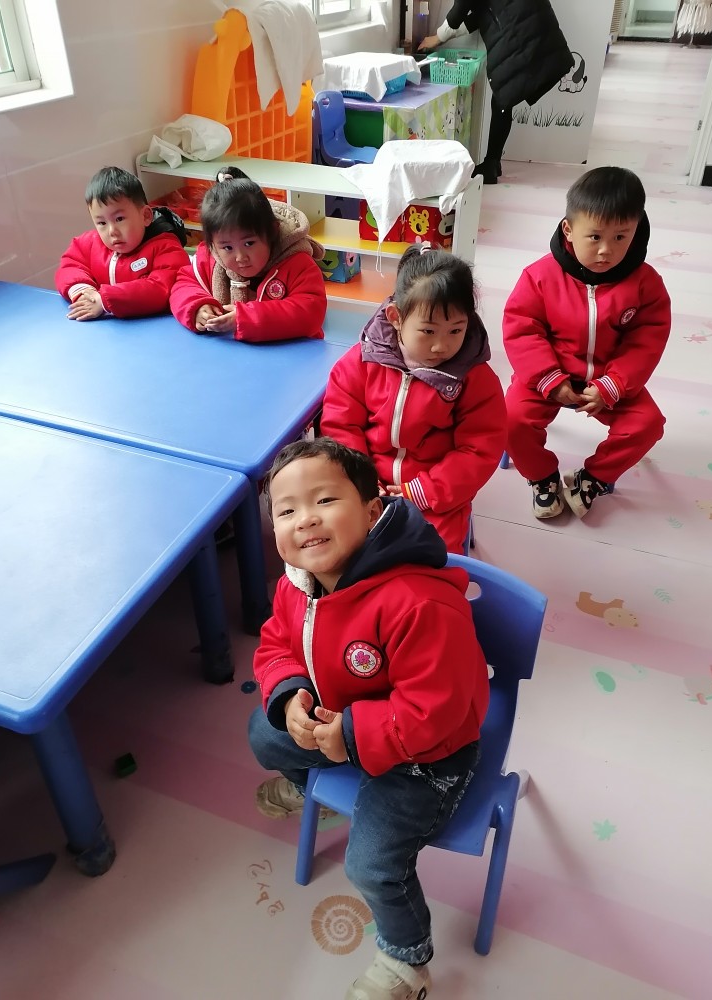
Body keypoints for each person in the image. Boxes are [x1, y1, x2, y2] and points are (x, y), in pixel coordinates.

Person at [249, 437, 488, 1000]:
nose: (306, 520)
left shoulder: (416, 601)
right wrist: (290, 694)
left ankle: (407, 961)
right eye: (286, 510)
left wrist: (352, 736)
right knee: (264, 733)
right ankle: (322, 792)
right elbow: (275, 643)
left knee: (372, 865)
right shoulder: (296, 583)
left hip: (429, 756)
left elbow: (437, 709)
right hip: (344, 719)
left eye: (325, 500)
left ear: (372, 509)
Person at [503, 165, 672, 520]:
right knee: (511, 419)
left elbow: (647, 341)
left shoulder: (646, 284)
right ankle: (542, 477)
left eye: (621, 237)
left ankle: (592, 478)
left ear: (636, 229)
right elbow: (522, 330)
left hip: (612, 382)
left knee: (648, 424)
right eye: (594, 237)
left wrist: (614, 384)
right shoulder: (539, 276)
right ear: (569, 229)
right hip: (548, 377)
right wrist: (549, 379)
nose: (606, 250)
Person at [319, 244, 506, 554]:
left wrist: (423, 491)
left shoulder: (475, 379)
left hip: (435, 496)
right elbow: (341, 426)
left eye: (455, 331)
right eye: (428, 331)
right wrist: (362, 480)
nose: (441, 346)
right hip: (365, 484)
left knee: (432, 558)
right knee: (340, 550)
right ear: (395, 317)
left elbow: (479, 449)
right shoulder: (361, 361)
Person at [419, 0, 573, 184]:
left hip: (521, 31)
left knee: (503, 97)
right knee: (503, 97)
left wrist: (438, 37)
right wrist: (447, 35)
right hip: (529, 26)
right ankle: (492, 163)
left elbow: (461, 8)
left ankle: (491, 164)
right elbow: (482, 15)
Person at [169, 167, 327, 341]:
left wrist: (245, 318)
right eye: (227, 247)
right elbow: (182, 285)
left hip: (293, 353)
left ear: (272, 231)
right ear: (212, 243)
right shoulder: (209, 258)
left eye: (249, 243)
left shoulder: (298, 263)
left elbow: (311, 312)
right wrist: (197, 307)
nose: (240, 257)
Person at [55, 166, 188, 320]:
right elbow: (70, 265)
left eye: (119, 219)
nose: (112, 231)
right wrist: (83, 291)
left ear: (145, 216)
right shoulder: (88, 244)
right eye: (101, 223)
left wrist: (105, 300)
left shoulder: (167, 248)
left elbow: (161, 289)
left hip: (154, 327)